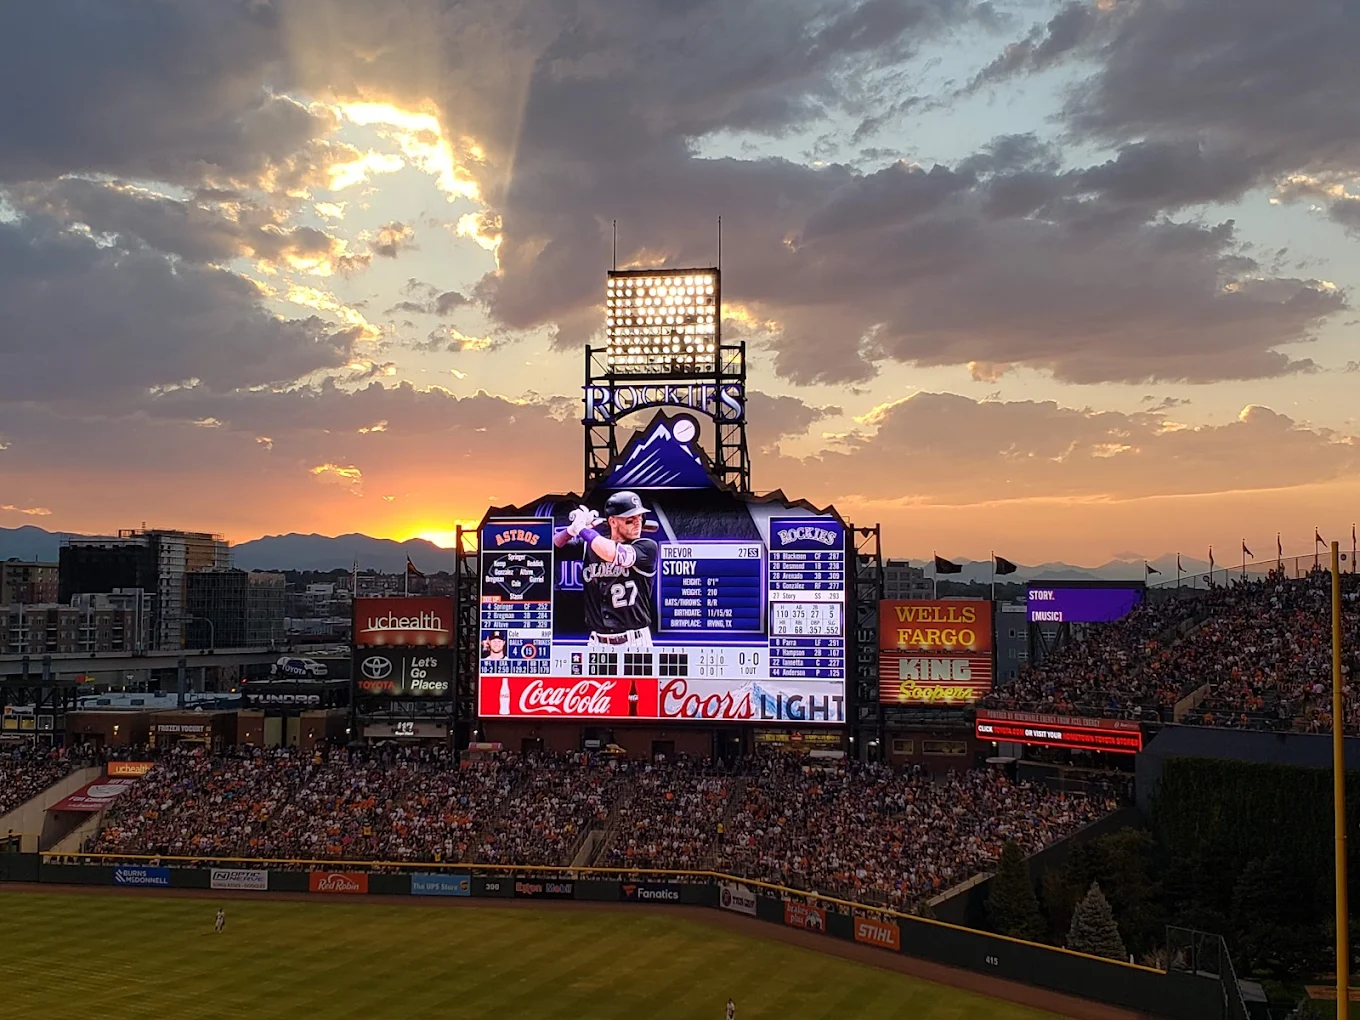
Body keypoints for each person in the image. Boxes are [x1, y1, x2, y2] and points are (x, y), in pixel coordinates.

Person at [554, 491, 658, 654]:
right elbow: (551, 549)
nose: (638, 523)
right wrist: (571, 531)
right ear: (613, 522)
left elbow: (614, 553)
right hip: (597, 643)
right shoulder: (590, 546)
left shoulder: (646, 547)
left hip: (635, 642)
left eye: (641, 518)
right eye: (631, 519)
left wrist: (583, 529)